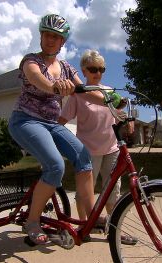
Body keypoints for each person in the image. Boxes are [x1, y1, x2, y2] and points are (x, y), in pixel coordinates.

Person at [8, 14, 105, 245]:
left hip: (51, 124)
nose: (51, 39)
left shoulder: (66, 68)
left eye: (57, 36)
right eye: (47, 34)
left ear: (63, 42)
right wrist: (54, 87)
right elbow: (36, 78)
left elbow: (85, 90)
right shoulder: (31, 60)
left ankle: (92, 216)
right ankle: (32, 221)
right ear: (41, 36)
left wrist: (111, 101)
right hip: (26, 121)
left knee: (83, 156)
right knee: (55, 166)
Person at [58, 50, 136, 244]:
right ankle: (83, 226)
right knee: (86, 192)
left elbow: (119, 114)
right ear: (84, 70)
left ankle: (115, 229)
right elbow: (62, 120)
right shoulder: (79, 94)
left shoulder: (109, 92)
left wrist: (128, 120)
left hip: (111, 148)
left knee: (113, 191)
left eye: (101, 69)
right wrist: (50, 137)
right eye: (93, 69)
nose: (98, 73)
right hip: (87, 151)